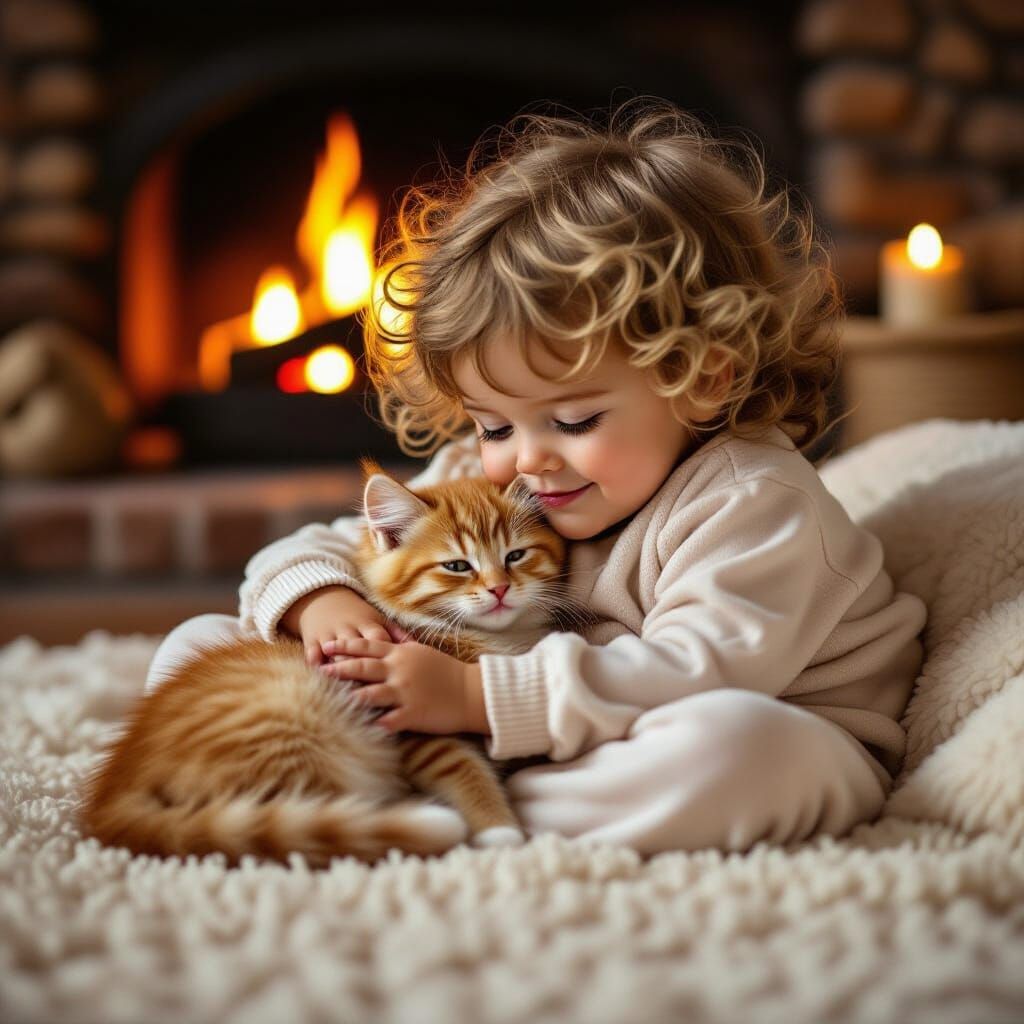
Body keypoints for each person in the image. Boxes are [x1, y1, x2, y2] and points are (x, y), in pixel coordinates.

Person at [146, 97, 927, 856]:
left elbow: (692, 674)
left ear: (704, 377)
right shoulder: (507, 485)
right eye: (492, 425)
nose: (524, 459)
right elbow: (327, 545)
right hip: (529, 737)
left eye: (575, 420)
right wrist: (325, 604)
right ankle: (420, 794)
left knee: (742, 750)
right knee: (200, 648)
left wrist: (469, 700)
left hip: (735, 731)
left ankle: (449, 814)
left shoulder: (753, 504)